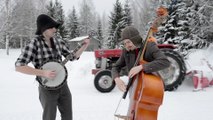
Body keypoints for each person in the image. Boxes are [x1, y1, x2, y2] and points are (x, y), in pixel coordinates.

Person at [15, 14, 90, 120]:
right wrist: (43, 73)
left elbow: (72, 57)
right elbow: (19, 66)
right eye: (51, 27)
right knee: (49, 117)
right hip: (46, 88)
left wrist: (84, 46)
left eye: (55, 27)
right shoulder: (34, 44)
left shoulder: (58, 41)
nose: (55, 29)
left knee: (68, 116)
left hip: (63, 86)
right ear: (43, 28)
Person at [111, 26, 170, 92]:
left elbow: (165, 62)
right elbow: (115, 67)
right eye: (124, 43)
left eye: (128, 42)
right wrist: (116, 79)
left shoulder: (149, 46)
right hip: (136, 88)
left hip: (151, 88)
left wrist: (142, 67)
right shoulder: (126, 51)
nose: (127, 45)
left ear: (135, 39)